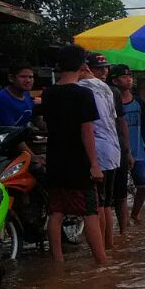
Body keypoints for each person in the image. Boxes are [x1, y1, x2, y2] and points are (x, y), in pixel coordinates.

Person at [37, 46, 107, 265]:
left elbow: (46, 124)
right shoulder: (83, 94)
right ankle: (102, 262)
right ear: (82, 65)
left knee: (56, 211)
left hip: (55, 158)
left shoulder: (48, 93)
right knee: (89, 211)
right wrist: (94, 164)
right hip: (78, 160)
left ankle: (58, 262)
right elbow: (87, 131)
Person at [78, 53, 124, 247]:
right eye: (99, 68)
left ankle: (103, 250)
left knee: (99, 203)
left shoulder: (84, 88)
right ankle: (109, 247)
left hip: (99, 151)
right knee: (106, 202)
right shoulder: (109, 90)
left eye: (105, 68)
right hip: (112, 150)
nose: (104, 72)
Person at [110, 65, 145, 226]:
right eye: (124, 77)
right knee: (117, 191)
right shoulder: (111, 100)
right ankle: (121, 223)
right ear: (115, 80)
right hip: (118, 152)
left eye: (130, 76)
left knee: (142, 185)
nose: (128, 79)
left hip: (138, 151)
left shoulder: (139, 102)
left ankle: (134, 215)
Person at [0, 62, 35, 128]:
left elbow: (36, 119)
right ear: (11, 78)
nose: (28, 80)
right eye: (23, 77)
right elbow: (8, 131)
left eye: (31, 77)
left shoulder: (26, 95)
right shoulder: (1, 99)